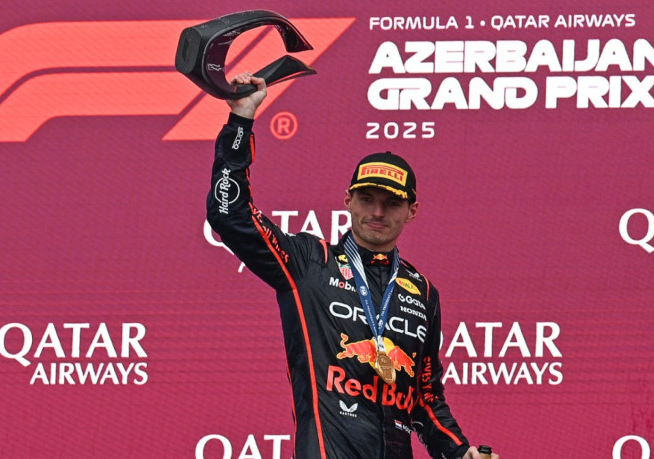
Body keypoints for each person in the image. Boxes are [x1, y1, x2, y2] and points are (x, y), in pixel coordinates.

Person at [207, 72, 498, 459]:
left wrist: (460, 451)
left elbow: (425, 398)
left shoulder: (421, 291)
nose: (377, 212)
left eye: (391, 203)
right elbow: (230, 216)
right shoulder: (310, 262)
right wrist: (241, 121)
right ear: (348, 200)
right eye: (366, 199)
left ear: (411, 211)